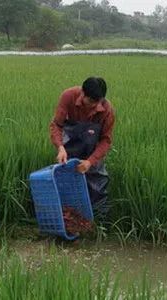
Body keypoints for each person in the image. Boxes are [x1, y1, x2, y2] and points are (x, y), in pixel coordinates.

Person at [49, 77, 115, 220]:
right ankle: (65, 219)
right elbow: (57, 125)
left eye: (97, 102)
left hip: (92, 151)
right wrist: (60, 148)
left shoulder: (107, 109)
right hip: (69, 148)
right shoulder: (68, 96)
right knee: (65, 181)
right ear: (82, 94)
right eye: (90, 101)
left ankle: (97, 222)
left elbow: (106, 140)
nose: (94, 106)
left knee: (97, 185)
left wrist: (90, 162)